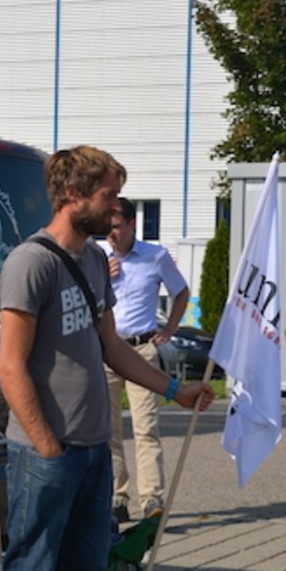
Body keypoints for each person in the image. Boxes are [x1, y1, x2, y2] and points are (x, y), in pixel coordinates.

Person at [0, 146, 214, 571]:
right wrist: (45, 444)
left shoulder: (93, 260)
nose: (116, 207)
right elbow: (12, 369)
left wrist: (173, 388)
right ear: (73, 195)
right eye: (109, 196)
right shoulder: (29, 264)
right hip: (48, 454)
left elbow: (111, 347)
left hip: (92, 450)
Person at [100, 197, 190, 523]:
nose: (112, 235)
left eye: (117, 228)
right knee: (108, 430)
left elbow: (181, 291)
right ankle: (116, 497)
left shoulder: (155, 256)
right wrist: (100, 278)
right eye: (107, 229)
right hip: (106, 350)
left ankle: (152, 498)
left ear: (132, 224)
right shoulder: (97, 257)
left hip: (141, 349)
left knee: (146, 427)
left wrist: (169, 329)